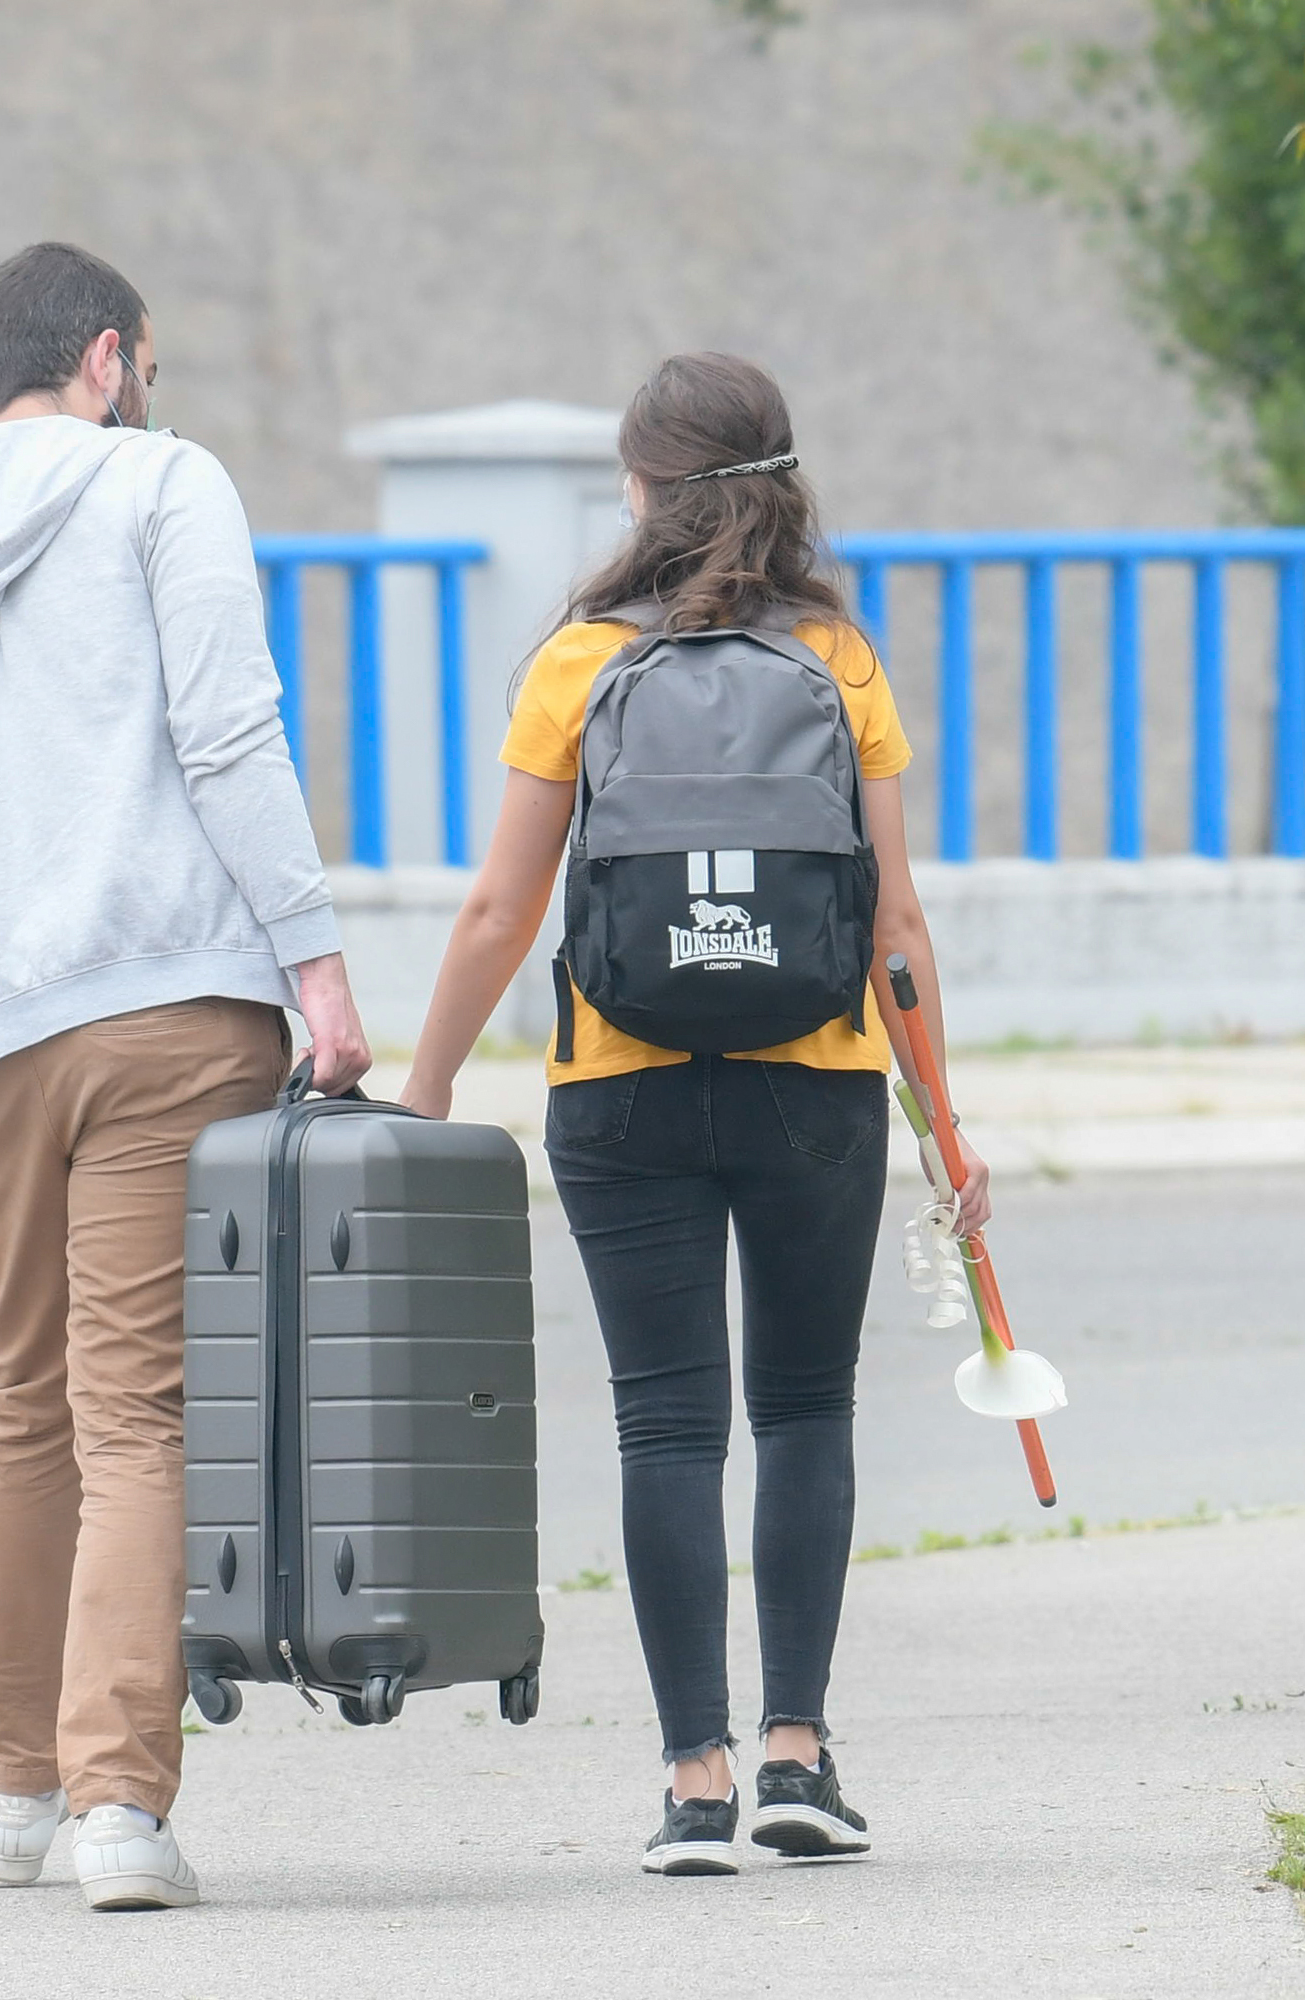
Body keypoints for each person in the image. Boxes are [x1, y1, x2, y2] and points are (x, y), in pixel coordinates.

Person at [0, 241, 371, 1912]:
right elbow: (229, 730)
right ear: (108, 360)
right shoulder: (163, 490)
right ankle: (121, 1810)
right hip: (169, 999)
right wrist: (315, 959)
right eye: (148, 365)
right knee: (138, 1407)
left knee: (21, 1391)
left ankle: (8, 1793)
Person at [399, 352, 990, 1877]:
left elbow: (498, 910)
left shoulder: (580, 662)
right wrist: (944, 1126)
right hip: (818, 1078)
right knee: (805, 1411)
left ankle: (697, 1783)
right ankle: (800, 1752)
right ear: (784, 485)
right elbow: (898, 929)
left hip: (622, 1082)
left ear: (646, 487)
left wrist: (424, 1083)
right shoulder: (839, 659)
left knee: (668, 1423)